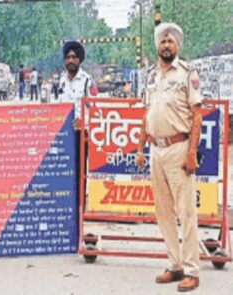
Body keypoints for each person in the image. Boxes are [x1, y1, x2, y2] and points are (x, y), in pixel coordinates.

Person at [135, 23, 202, 292]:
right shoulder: (152, 76)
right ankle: (175, 265)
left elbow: (197, 115)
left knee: (186, 213)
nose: (166, 46)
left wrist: (191, 153)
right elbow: (146, 115)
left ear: (177, 46)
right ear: (156, 46)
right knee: (164, 212)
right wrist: (139, 148)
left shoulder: (187, 73)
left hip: (178, 148)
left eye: (170, 42)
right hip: (156, 150)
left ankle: (192, 271)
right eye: (162, 42)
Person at [58, 40, 97, 210]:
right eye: (67, 57)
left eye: (74, 57)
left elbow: (97, 109)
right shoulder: (61, 80)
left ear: (79, 59)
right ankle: (67, 207)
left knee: (80, 172)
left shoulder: (88, 81)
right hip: (64, 134)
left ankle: (80, 206)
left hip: (81, 135)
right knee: (64, 172)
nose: (70, 61)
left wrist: (85, 122)